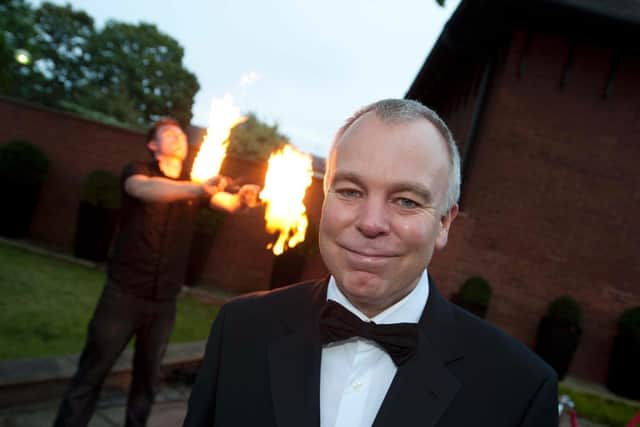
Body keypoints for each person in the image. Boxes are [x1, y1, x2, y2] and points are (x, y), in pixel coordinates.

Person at [183, 99, 558, 427]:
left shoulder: (518, 389)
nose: (371, 223)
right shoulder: (240, 329)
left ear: (444, 222)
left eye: (406, 200)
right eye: (350, 191)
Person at [53, 118, 260, 427]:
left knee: (147, 381)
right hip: (123, 295)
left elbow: (227, 204)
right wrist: (198, 188)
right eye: (169, 134)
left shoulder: (194, 183)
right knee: (92, 372)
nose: (178, 138)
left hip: (164, 301)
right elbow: (144, 189)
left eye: (181, 134)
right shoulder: (140, 171)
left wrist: (244, 200)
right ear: (153, 145)